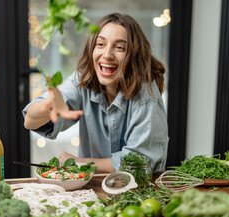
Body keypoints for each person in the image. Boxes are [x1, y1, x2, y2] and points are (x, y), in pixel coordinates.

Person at [23, 13, 168, 173]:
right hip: (93, 190)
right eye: (100, 44)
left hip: (138, 192)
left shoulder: (147, 96)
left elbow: (137, 164)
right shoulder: (83, 79)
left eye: (119, 47)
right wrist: (47, 106)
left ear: (134, 56)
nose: (107, 54)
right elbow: (30, 122)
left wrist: (79, 163)